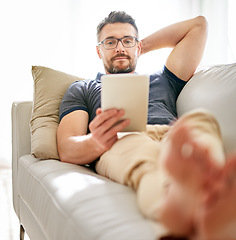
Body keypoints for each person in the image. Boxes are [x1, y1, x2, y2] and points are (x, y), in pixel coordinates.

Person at [57, 11, 236, 239]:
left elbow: (198, 26)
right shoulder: (83, 88)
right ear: (98, 50)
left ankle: (211, 184)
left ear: (138, 46)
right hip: (122, 139)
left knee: (201, 120)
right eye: (110, 42)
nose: (120, 48)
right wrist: (96, 141)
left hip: (174, 134)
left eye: (127, 41)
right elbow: (66, 146)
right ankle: (179, 207)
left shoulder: (163, 78)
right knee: (146, 156)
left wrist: (135, 49)